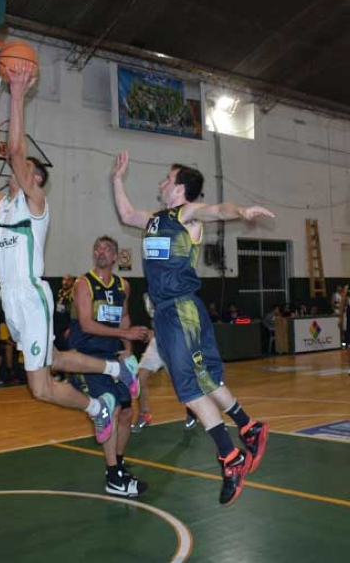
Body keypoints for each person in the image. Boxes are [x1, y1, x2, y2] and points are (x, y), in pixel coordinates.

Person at [0, 62, 142, 445]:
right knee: (55, 359)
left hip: (32, 296)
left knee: (40, 387)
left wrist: (17, 96)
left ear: (35, 179)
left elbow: (16, 149)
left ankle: (96, 407)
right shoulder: (3, 206)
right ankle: (120, 371)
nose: (16, 169)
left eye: (26, 169)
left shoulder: (35, 203)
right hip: (11, 298)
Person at [111, 151, 273, 505]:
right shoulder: (155, 219)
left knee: (188, 391)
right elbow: (125, 214)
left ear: (180, 188)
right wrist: (117, 179)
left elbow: (216, 210)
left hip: (179, 309)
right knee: (203, 381)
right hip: (175, 312)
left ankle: (231, 458)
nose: (161, 184)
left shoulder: (186, 214)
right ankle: (249, 426)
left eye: (166, 180)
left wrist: (242, 212)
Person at [69, 236, 149, 496]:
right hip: (89, 357)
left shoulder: (123, 286)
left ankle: (118, 462)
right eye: (97, 248)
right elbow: (86, 325)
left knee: (126, 412)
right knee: (110, 411)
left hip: (114, 356)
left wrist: (127, 352)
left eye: (106, 249)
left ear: (115, 257)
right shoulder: (83, 284)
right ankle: (113, 476)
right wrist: (123, 336)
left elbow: (124, 317)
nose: (100, 252)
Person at [131, 294, 201, 433]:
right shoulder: (147, 296)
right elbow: (155, 320)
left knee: (181, 383)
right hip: (157, 343)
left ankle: (192, 411)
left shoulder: (173, 293)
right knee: (140, 378)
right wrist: (151, 332)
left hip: (175, 342)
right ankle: (144, 414)